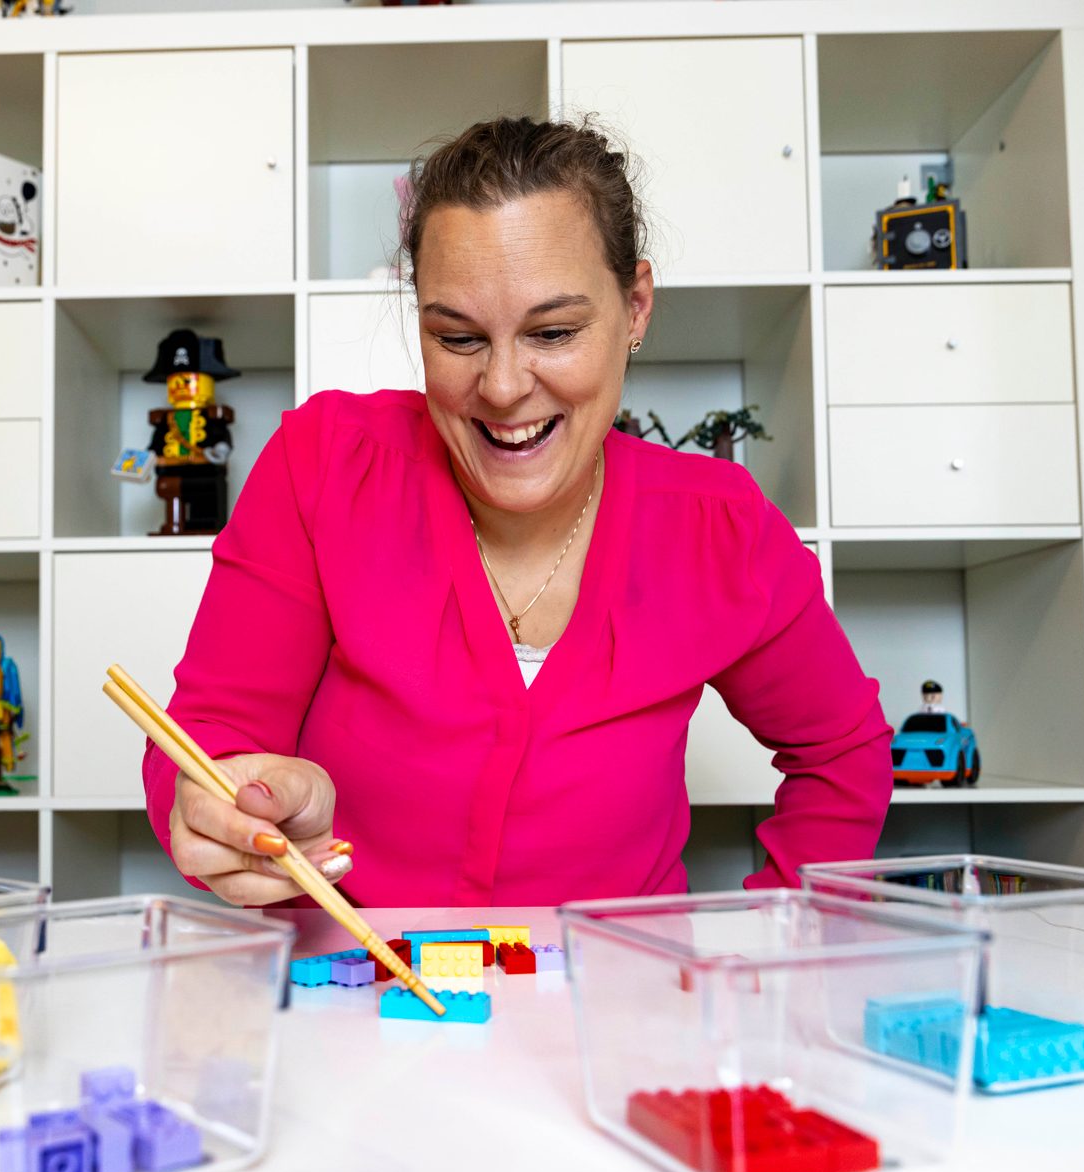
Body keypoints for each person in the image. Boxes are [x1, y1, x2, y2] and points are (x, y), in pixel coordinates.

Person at [143, 118, 892, 907]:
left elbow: (843, 754)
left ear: (636, 307)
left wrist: (772, 940)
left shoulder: (720, 529)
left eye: (554, 331)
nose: (502, 388)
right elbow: (205, 740)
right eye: (458, 338)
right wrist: (218, 804)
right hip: (351, 994)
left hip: (615, 1005)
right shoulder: (325, 464)